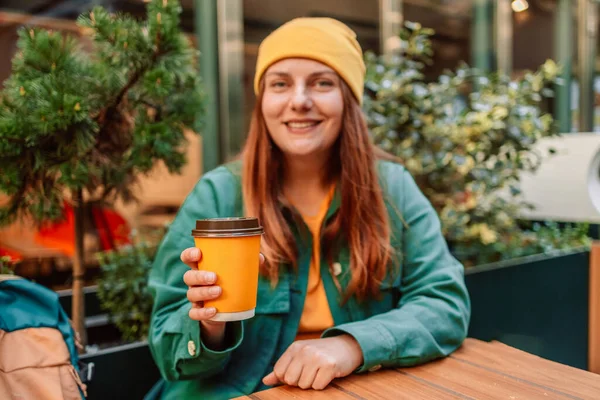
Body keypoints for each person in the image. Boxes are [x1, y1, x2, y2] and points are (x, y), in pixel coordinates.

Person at [145, 17, 470, 400]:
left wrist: (351, 346)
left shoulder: (393, 189)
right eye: (280, 83)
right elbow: (166, 349)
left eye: (322, 83)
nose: (299, 100)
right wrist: (209, 324)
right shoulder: (217, 194)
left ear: (348, 101)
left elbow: (444, 304)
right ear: (262, 101)